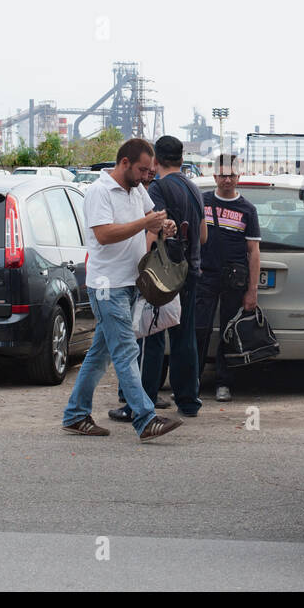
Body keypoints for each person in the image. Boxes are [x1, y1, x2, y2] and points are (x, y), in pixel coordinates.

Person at [60, 138, 183, 440]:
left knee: (100, 354)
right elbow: (103, 235)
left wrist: (163, 226)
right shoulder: (99, 192)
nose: (146, 176)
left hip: (129, 283)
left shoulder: (136, 189)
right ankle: (145, 418)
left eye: (148, 170)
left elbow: (153, 220)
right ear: (124, 163)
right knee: (127, 350)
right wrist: (145, 223)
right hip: (106, 286)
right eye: (142, 169)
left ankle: (76, 414)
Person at [110, 135, 207, 422]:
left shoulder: (160, 188)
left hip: (163, 274)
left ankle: (142, 401)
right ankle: (189, 401)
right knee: (184, 337)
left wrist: (144, 268)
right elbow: (203, 235)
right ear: (180, 158)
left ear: (156, 160)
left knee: (150, 336)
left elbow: (153, 231)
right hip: (190, 272)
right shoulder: (194, 187)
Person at [194, 154, 261, 404]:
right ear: (214, 176)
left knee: (228, 333)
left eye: (231, 174)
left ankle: (224, 382)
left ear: (238, 176)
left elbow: (253, 252)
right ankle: (194, 380)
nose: (227, 179)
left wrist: (252, 290)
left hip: (235, 280)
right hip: (204, 278)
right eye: (222, 174)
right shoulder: (201, 202)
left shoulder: (248, 210)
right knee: (198, 330)